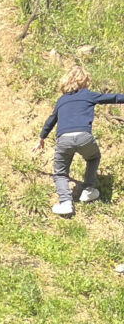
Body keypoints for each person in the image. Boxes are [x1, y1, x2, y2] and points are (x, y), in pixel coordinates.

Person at [37, 65, 124, 217]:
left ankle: (65, 202)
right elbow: (112, 97)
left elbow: (51, 120)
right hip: (84, 137)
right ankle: (88, 190)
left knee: (60, 173)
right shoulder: (88, 95)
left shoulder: (61, 100)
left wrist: (41, 137)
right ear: (85, 82)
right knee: (93, 157)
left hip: (64, 139)